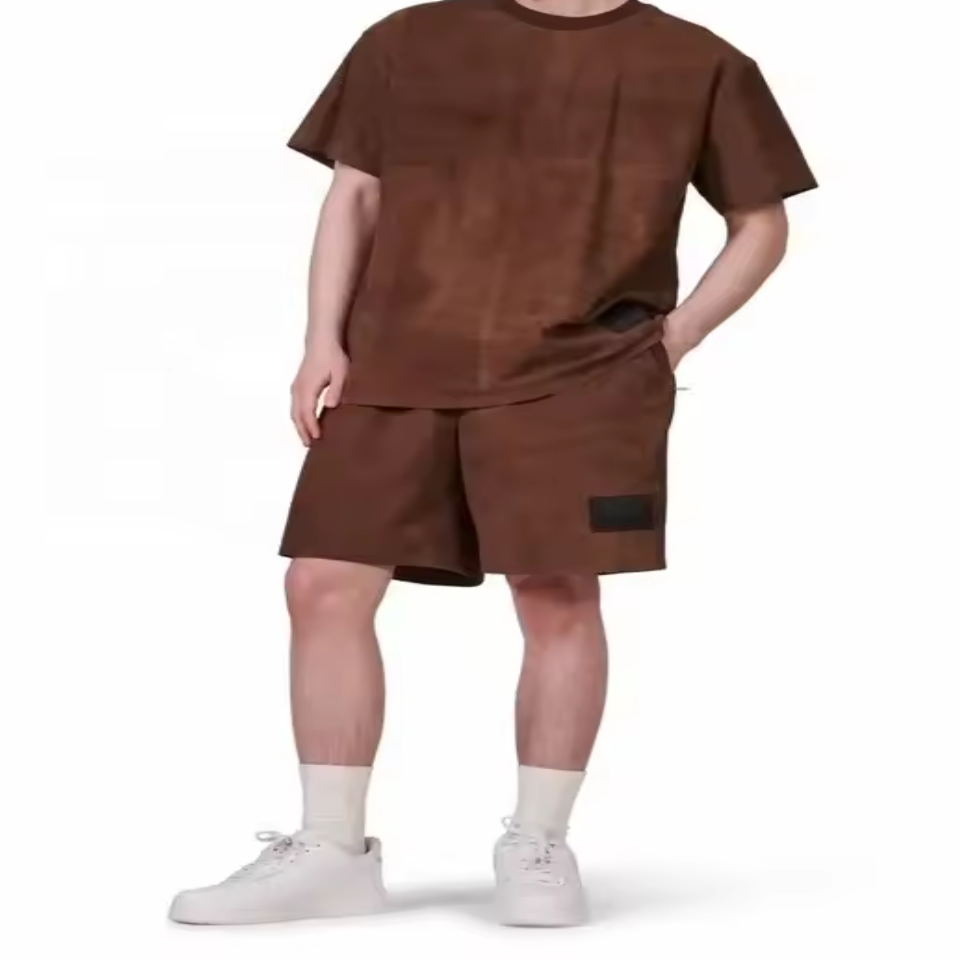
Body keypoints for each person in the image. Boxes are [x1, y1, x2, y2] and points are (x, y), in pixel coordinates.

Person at [169, 0, 816, 928]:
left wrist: (675, 340)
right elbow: (355, 193)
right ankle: (331, 848)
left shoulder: (699, 61)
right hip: (394, 358)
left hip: (581, 374)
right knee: (322, 583)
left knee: (556, 595)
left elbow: (761, 221)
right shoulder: (406, 40)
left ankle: (539, 842)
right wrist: (321, 340)